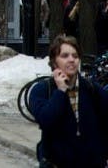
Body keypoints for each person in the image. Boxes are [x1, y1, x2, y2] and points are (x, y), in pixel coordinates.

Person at [29, 35, 108, 167]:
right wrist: (60, 91)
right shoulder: (42, 90)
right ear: (54, 62)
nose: (71, 60)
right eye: (65, 56)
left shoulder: (92, 89)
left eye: (75, 56)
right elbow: (45, 120)